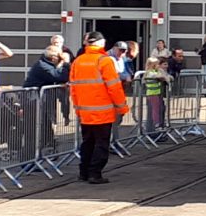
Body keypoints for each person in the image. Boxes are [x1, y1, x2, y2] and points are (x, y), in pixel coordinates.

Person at [70, 31, 129, 184]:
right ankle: (95, 173)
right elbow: (114, 87)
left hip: (85, 111)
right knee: (101, 143)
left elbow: (74, 88)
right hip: (103, 111)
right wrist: (122, 107)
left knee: (87, 142)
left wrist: (77, 108)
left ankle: (83, 172)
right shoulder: (104, 61)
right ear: (102, 44)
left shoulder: (78, 61)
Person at [24, 45, 71, 150]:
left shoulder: (48, 64)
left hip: (42, 100)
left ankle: (47, 148)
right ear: (54, 57)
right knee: (33, 130)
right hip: (32, 100)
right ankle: (29, 159)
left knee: (45, 125)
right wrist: (65, 63)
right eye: (59, 57)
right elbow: (60, 76)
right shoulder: (42, 66)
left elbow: (59, 77)